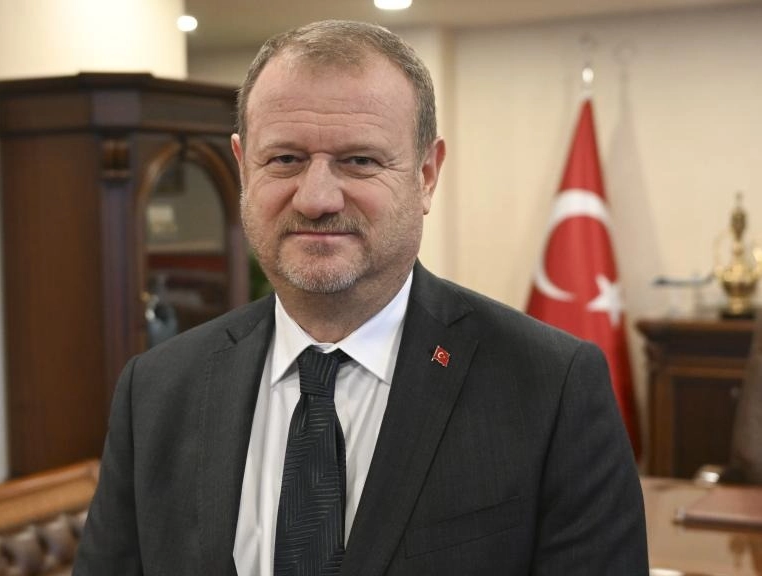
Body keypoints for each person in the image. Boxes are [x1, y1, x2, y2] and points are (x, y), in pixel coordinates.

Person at [74, 19, 648, 576]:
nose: (316, 198)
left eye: (360, 161)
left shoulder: (550, 387)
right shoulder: (156, 390)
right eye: (285, 159)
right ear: (244, 168)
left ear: (426, 174)